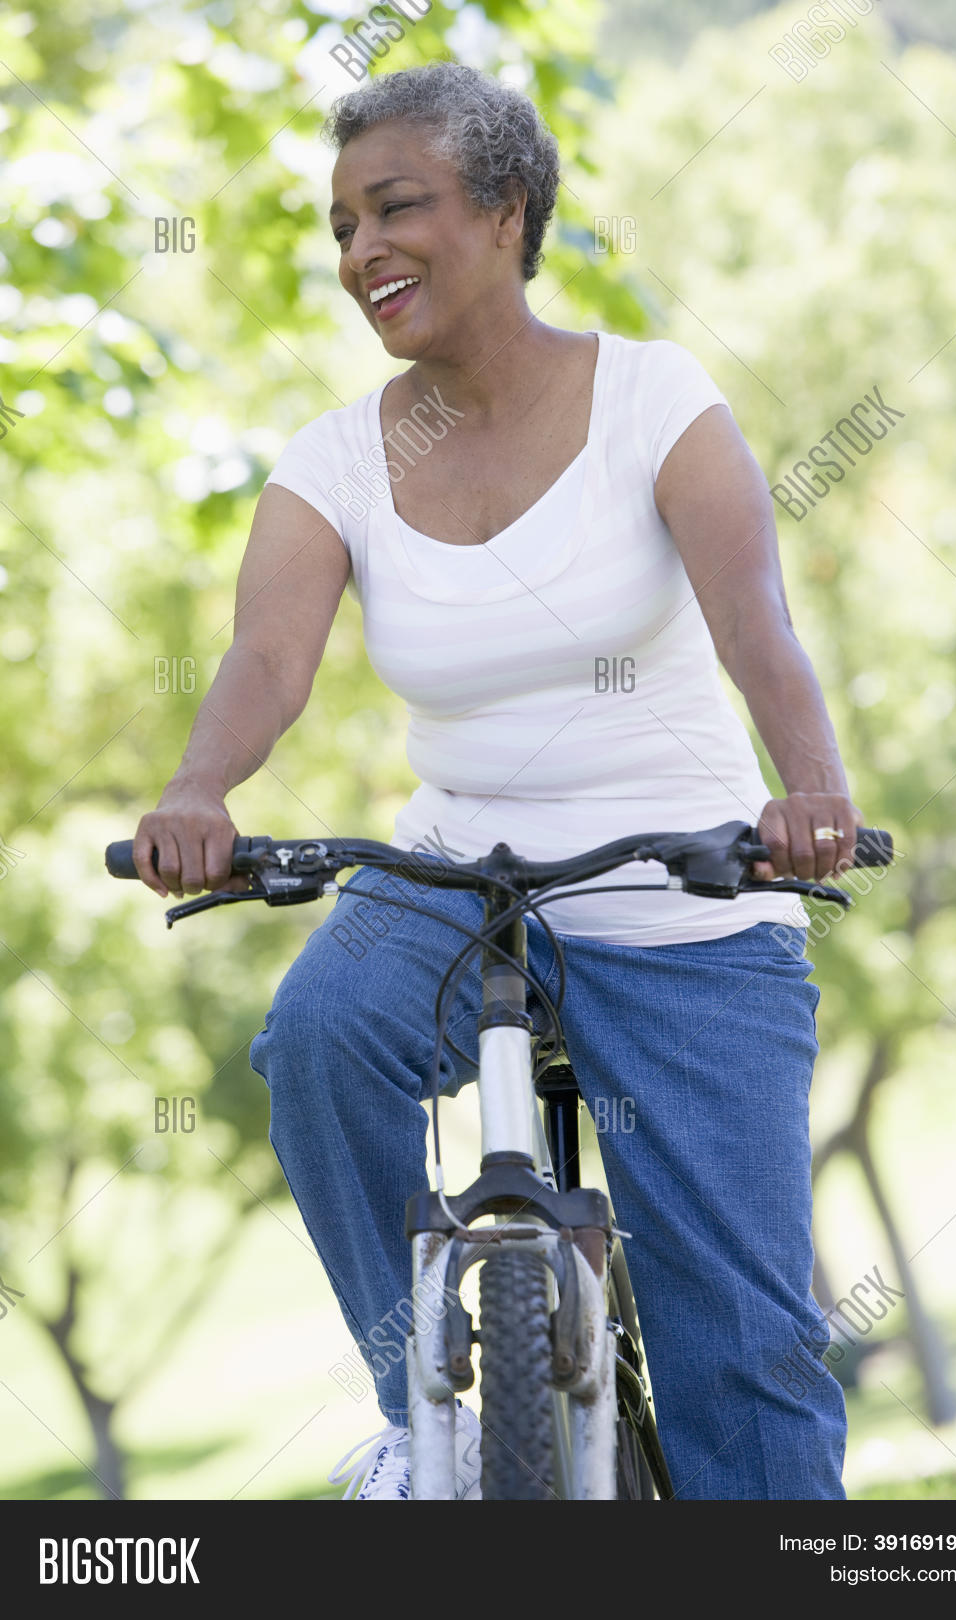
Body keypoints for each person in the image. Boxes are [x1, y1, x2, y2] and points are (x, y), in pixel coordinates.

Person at [133, 62, 863, 1500]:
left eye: (395, 208)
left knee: (748, 1362)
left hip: (683, 889)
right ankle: (431, 1421)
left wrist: (812, 790)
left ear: (507, 209)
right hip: (454, 887)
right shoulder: (338, 460)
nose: (362, 250)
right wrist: (200, 787)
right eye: (344, 226)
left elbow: (755, 624)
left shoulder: (653, 396)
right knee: (319, 1039)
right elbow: (267, 657)